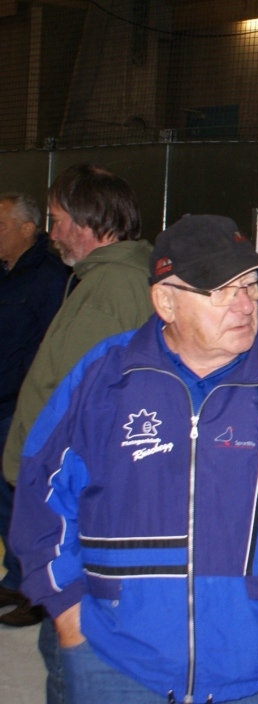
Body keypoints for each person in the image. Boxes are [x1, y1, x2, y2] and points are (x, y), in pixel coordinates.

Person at [10, 214, 258, 704]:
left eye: (250, 286)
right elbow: (42, 492)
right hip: (113, 658)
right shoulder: (106, 378)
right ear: (166, 301)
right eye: (222, 290)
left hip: (256, 658)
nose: (245, 304)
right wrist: (68, 609)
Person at [2, 164, 153, 704]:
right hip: (80, 495)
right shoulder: (105, 279)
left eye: (58, 219)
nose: (53, 232)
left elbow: (88, 406)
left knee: (68, 648)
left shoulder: (112, 288)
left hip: (80, 502)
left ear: (89, 222)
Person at [0, 193, 69, 627]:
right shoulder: (6, 275)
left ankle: (37, 589)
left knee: (25, 502)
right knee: (4, 503)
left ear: (27, 229)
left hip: (19, 406)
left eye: (1, 225)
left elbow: (49, 349)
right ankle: (16, 576)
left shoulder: (48, 279)